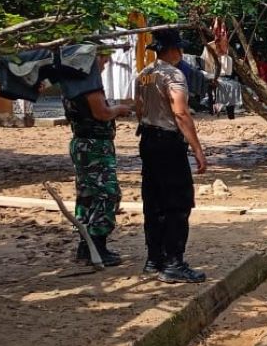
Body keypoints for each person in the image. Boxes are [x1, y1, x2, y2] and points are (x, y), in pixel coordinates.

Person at [135, 29, 208, 284]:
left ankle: (154, 259)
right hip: (168, 143)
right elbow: (181, 113)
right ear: (175, 50)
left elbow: (139, 109)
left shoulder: (144, 75)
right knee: (178, 203)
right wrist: (197, 147)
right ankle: (174, 262)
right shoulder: (174, 75)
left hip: (147, 140)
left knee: (153, 202)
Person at [65, 48, 134, 267]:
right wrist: (120, 109)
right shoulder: (88, 83)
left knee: (88, 194)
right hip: (94, 145)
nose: (105, 64)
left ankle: (87, 248)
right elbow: (101, 113)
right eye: (103, 59)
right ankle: (96, 246)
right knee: (106, 194)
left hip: (84, 143)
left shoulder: (72, 81)